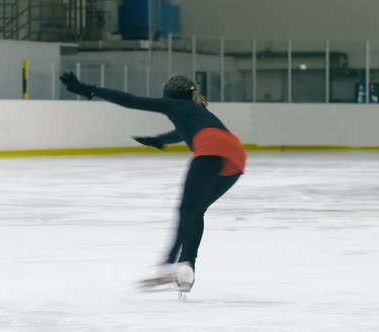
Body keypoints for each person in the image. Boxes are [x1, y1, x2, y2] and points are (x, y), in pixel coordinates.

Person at [60, 72, 246, 292]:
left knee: (187, 209)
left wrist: (89, 89)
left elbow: (132, 100)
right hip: (235, 155)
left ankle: (169, 264)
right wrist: (159, 140)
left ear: (170, 94)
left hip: (212, 149)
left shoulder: (176, 106)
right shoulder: (197, 111)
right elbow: (180, 133)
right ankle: (187, 268)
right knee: (195, 210)